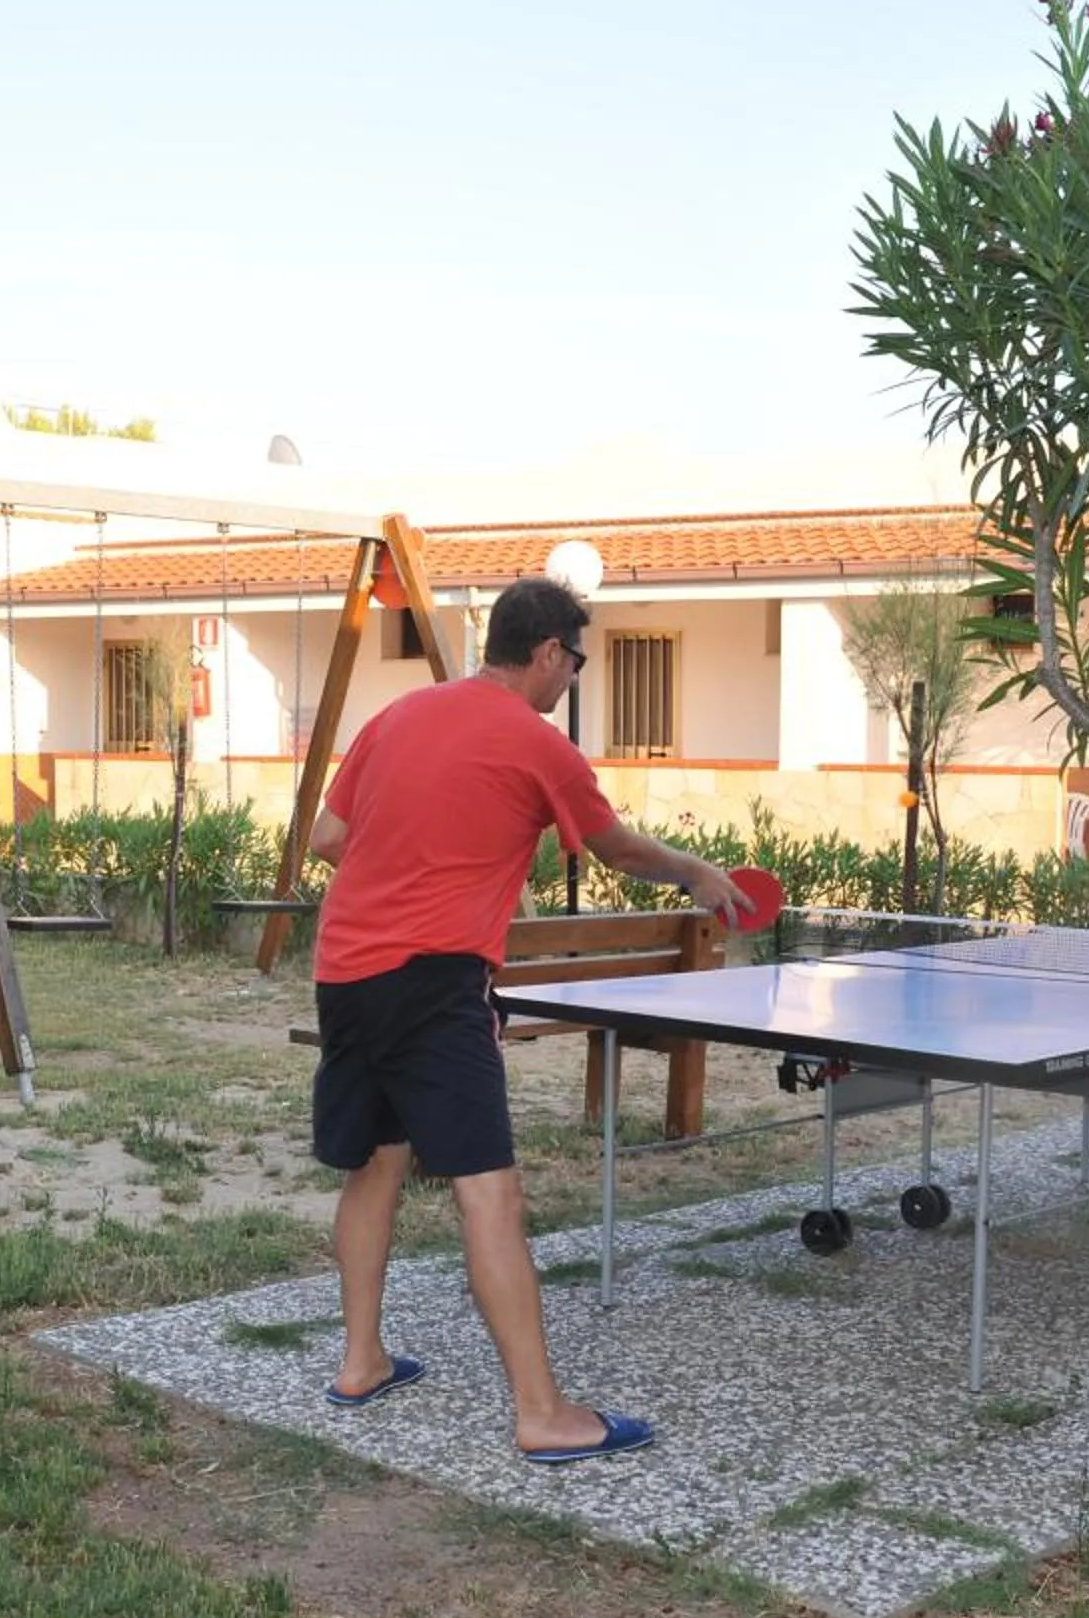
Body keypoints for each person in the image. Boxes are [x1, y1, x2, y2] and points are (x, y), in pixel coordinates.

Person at [306, 576, 754, 1464]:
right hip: (433, 986)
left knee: (377, 1161)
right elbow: (617, 846)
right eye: (576, 662)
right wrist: (699, 872)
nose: (572, 680)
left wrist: (404, 869)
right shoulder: (535, 741)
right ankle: (542, 1413)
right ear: (549, 652)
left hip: (345, 971)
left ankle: (361, 1361)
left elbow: (327, 836)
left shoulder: (397, 718)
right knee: (490, 1194)